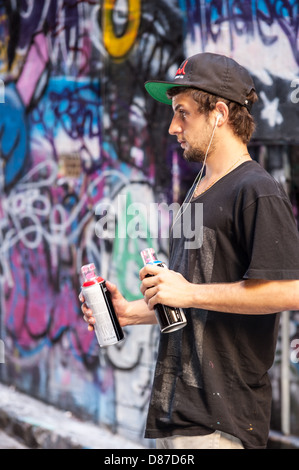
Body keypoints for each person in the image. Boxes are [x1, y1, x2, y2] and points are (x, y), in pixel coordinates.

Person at [81, 53, 299, 449]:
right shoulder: (198, 188)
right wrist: (131, 312)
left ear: (218, 112)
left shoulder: (256, 190)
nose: (172, 127)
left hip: (222, 423)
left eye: (182, 113)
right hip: (178, 415)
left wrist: (189, 292)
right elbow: (191, 299)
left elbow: (290, 291)